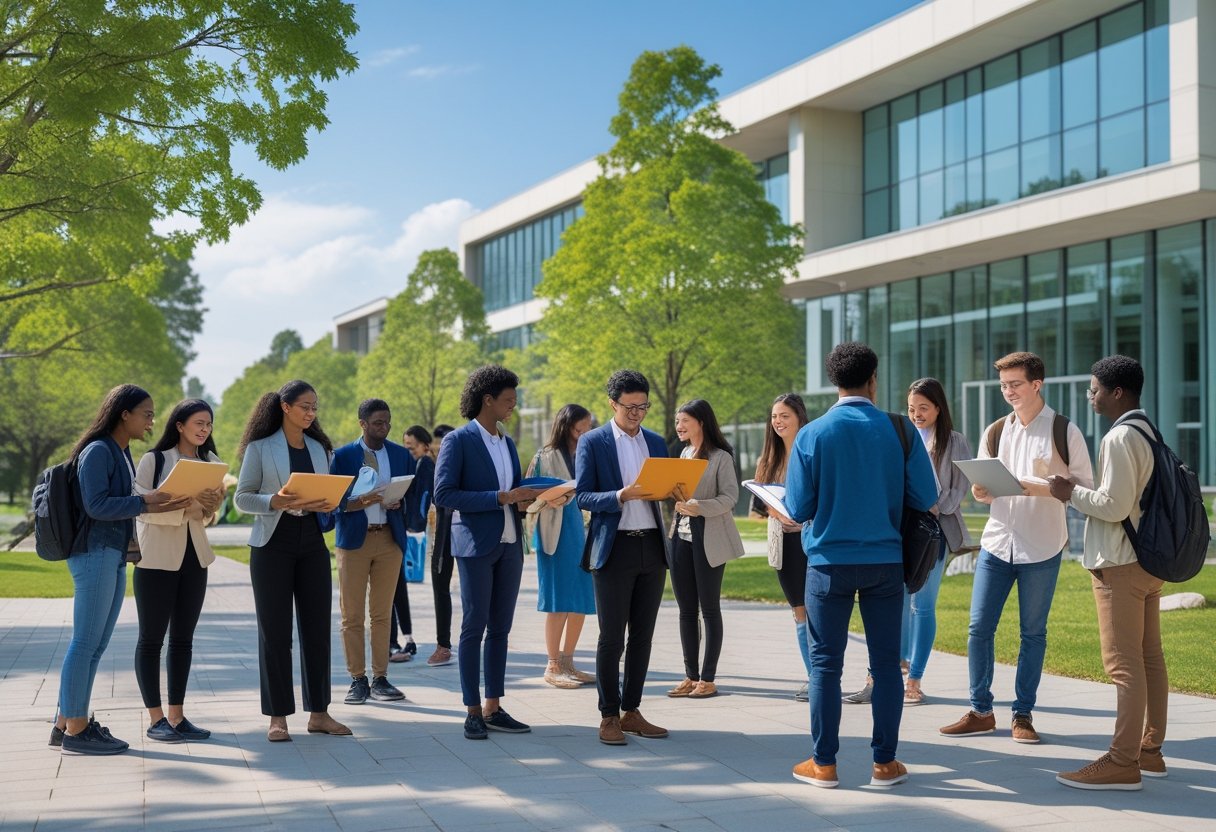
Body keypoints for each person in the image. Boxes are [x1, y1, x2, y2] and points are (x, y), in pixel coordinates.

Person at [785, 342, 937, 789]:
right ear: (874, 380)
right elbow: (926, 498)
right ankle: (885, 765)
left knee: (825, 666)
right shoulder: (899, 430)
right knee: (887, 665)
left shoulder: (812, 434)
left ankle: (824, 764)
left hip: (828, 564)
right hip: (886, 563)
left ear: (835, 382)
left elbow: (797, 506)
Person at [940, 351, 1093, 745]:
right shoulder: (996, 430)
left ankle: (1023, 715)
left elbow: (1085, 490)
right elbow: (987, 492)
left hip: (1041, 546)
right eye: (1004, 385)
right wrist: (979, 490)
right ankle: (980, 711)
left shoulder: (1064, 430)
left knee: (1032, 633)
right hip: (997, 541)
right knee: (978, 629)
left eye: (1015, 384)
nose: (1008, 391)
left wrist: (1035, 486)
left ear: (1036, 384)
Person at [1049, 356, 1167, 790]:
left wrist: (1069, 491)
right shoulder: (1148, 430)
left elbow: (1114, 507)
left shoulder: (1119, 438)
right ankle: (1150, 751)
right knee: (1150, 659)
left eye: (1095, 388)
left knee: (1124, 665)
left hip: (1120, 563)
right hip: (1148, 563)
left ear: (1118, 393)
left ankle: (1122, 761)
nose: (1090, 395)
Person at [52, 385, 190, 755]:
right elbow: (96, 505)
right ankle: (76, 731)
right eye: (146, 413)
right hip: (94, 552)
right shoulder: (98, 451)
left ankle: (66, 721)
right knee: (85, 642)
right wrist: (146, 501)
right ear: (123, 413)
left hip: (111, 553)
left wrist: (151, 504)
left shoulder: (120, 451)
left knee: (94, 645)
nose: (151, 420)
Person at [843, 378, 975, 706]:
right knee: (893, 602)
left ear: (939, 408)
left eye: (923, 408)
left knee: (922, 604)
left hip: (934, 532)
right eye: (911, 408)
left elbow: (960, 488)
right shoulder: (898, 435)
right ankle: (887, 672)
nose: (916, 414)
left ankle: (914, 680)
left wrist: (934, 503)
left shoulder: (955, 442)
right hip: (898, 530)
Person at [235, 379, 350, 743]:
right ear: (285, 406)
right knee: (275, 633)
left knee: (317, 629)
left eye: (315, 407)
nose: (311, 412)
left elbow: (328, 495)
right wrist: (275, 501)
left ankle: (319, 713)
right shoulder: (260, 447)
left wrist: (328, 500)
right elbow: (242, 498)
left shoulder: (319, 449)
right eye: (305, 406)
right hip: (273, 543)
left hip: (312, 542)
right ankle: (278, 717)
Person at [433, 366, 542, 740]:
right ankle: (472, 710)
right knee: (473, 626)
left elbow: (512, 493)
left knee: (500, 629)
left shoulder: (507, 442)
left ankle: (494, 706)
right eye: (509, 400)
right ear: (488, 400)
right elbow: (443, 494)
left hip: (511, 544)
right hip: (475, 546)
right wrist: (499, 498)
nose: (513, 406)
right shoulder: (458, 441)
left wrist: (532, 497)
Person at [576, 369, 671, 746]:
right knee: (611, 637)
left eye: (643, 406)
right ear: (613, 403)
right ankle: (608, 715)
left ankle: (632, 711)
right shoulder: (593, 442)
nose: (637, 413)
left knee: (643, 636)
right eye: (630, 407)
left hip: (651, 544)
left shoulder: (657, 441)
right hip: (613, 548)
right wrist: (620, 495)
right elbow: (583, 496)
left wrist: (676, 491)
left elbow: (666, 490)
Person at [133, 399, 226, 742]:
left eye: (209, 425)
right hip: (156, 557)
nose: (204, 430)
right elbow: (140, 509)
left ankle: (177, 716)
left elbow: (206, 516)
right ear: (180, 425)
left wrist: (210, 507)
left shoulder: (212, 462)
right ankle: (155, 718)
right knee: (151, 639)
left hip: (194, 558)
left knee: (183, 640)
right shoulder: (153, 460)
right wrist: (181, 504)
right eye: (199, 423)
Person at [331, 399, 418, 706]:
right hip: (354, 542)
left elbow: (412, 493)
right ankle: (358, 680)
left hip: (389, 541)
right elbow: (333, 504)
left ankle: (380, 678)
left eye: (388, 422)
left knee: (381, 615)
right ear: (363, 424)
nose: (385, 427)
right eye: (378, 422)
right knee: (352, 615)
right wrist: (362, 501)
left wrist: (399, 502)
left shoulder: (400, 454)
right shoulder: (342, 457)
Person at [667, 399, 744, 700]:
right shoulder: (684, 453)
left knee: (709, 609)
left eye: (684, 420)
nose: (679, 426)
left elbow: (730, 498)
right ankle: (690, 675)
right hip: (680, 538)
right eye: (677, 421)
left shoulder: (721, 457)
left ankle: (708, 679)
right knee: (686, 610)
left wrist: (699, 507)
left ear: (701, 421)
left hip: (708, 537)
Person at [525, 404, 597, 689]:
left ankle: (568, 662)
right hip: (554, 532)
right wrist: (547, 499)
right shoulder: (544, 456)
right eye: (580, 428)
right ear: (566, 426)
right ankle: (552, 664)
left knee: (581, 597)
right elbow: (527, 499)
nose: (585, 433)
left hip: (585, 533)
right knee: (557, 599)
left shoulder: (590, 453)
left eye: (588, 428)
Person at [750, 393, 813, 702]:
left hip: (812, 540)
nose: (778, 421)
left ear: (799, 417)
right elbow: (761, 507)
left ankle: (826, 675)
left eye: (784, 415)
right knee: (799, 611)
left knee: (819, 611)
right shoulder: (768, 460)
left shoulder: (815, 451)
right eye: (774, 416)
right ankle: (814, 678)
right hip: (784, 544)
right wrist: (776, 511)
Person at [387, 425, 431, 664]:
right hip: (406, 533)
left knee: (395, 589)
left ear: (425, 446)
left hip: (408, 533)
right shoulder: (419, 464)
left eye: (411, 448)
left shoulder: (424, 465)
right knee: (396, 589)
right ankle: (404, 638)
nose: (408, 452)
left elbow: (420, 504)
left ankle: (398, 640)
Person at [420, 424, 457, 666]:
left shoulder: (462, 466)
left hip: (464, 534)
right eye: (439, 444)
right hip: (441, 536)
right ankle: (443, 645)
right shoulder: (430, 467)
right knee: (440, 588)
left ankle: (452, 645)